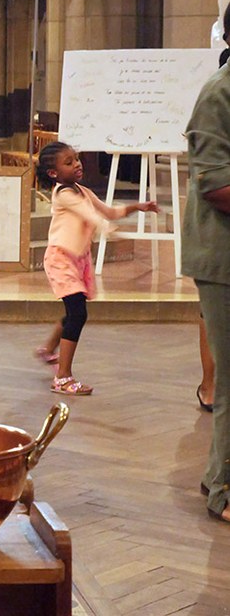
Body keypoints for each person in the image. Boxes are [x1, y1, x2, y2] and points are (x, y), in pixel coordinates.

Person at [36, 141, 159, 396]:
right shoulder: (64, 194)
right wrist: (104, 228)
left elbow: (109, 212)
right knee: (77, 313)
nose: (77, 164)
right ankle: (63, 377)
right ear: (53, 173)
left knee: (74, 309)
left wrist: (136, 207)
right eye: (68, 162)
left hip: (78, 259)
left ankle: (48, 349)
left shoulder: (82, 190)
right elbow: (89, 214)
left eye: (76, 159)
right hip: (61, 259)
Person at [183, 54, 230, 522]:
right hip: (223, 257)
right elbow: (216, 184)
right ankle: (225, 491)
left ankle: (218, 471)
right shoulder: (219, 93)